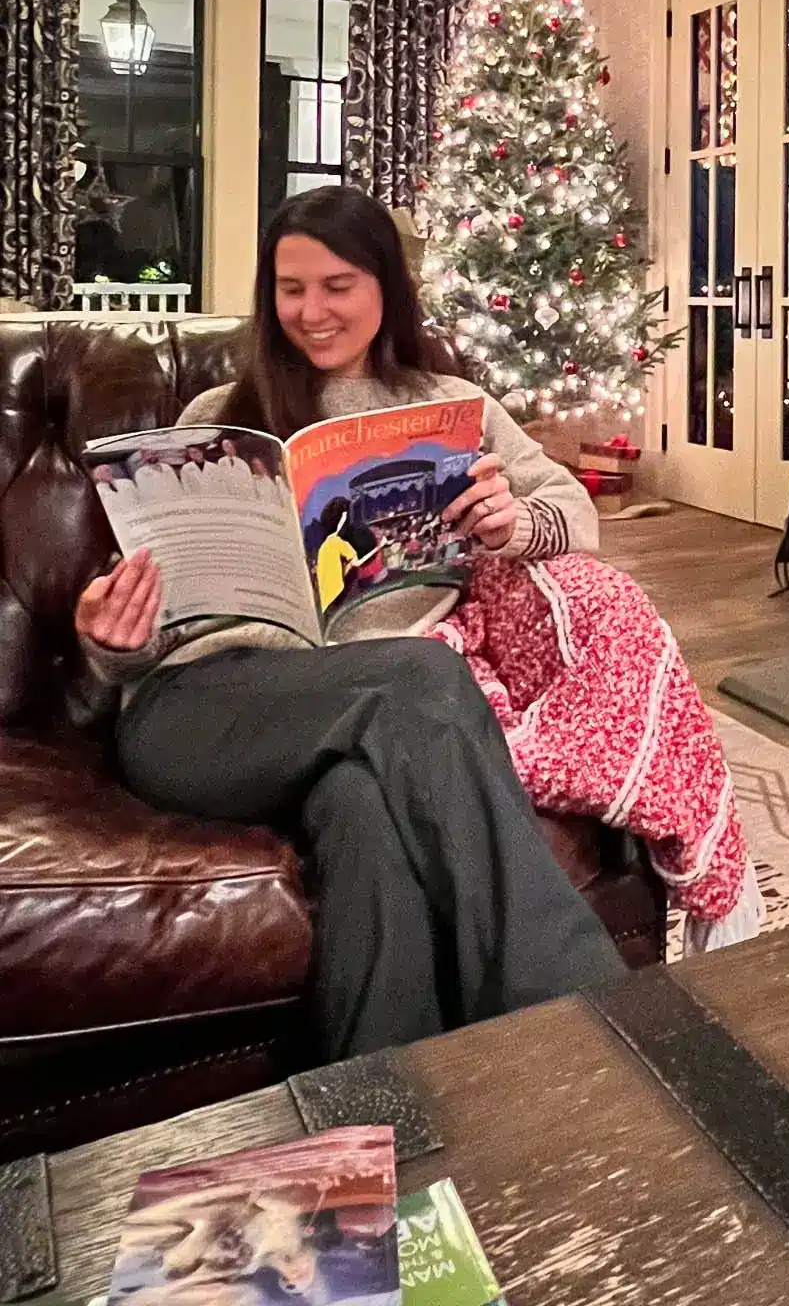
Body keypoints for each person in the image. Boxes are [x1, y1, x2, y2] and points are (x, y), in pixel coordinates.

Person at [73, 186, 625, 1062]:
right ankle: (588, 1023)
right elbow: (150, 618)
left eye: (338, 285)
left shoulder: (451, 408)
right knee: (418, 673)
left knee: (365, 814)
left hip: (365, 729)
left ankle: (370, 1126)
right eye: (291, 288)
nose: (312, 311)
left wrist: (509, 524)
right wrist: (112, 638)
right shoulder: (216, 417)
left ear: (385, 288)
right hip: (202, 710)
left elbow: (571, 511)